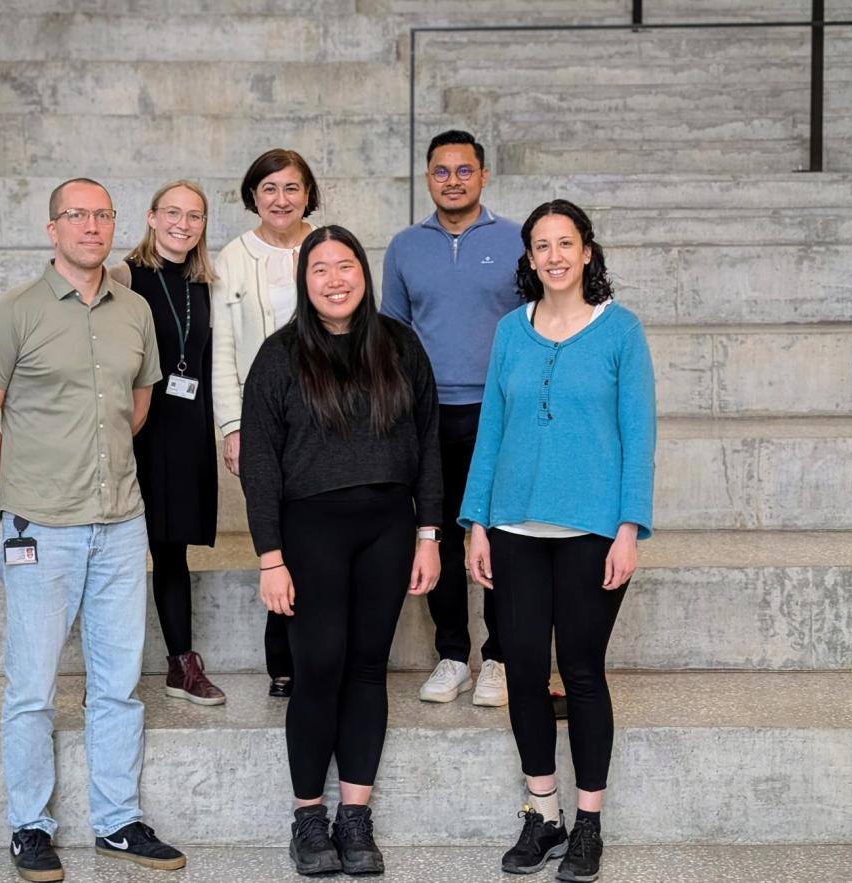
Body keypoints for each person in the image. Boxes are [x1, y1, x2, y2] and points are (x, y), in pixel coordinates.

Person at [0, 177, 187, 881]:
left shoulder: (136, 311)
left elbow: (136, 407)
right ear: (52, 228)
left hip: (120, 524)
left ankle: (118, 820)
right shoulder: (14, 314)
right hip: (41, 528)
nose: (91, 226)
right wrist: (29, 490)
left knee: (117, 684)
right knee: (31, 686)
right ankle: (30, 825)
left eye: (102, 215)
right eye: (76, 215)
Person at [459, 199, 656, 883]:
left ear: (588, 252)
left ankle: (588, 822)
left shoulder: (621, 331)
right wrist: (475, 521)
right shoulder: (512, 330)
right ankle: (542, 814)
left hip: (592, 531)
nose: (553, 255)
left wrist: (629, 528)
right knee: (520, 669)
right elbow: (490, 429)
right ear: (530, 257)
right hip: (512, 527)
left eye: (565, 242)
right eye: (540, 245)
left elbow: (640, 435)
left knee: (580, 669)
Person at [240, 226, 442, 877]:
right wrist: (270, 557)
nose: (334, 278)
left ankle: (355, 816)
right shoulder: (278, 355)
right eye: (320, 267)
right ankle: (308, 818)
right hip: (310, 532)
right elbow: (261, 467)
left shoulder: (400, 345)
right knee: (319, 666)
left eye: (345, 265)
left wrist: (429, 533)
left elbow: (430, 441)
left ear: (364, 271)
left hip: (388, 526)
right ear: (304, 279)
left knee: (366, 668)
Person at [381, 129, 523, 707]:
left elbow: (536, 322)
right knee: (435, 529)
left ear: (483, 176)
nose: (453, 181)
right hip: (429, 413)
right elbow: (391, 333)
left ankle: (500, 657)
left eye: (464, 171)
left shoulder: (516, 240)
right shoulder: (405, 247)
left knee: (502, 534)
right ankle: (452, 654)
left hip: (500, 412)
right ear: (428, 178)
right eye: (441, 171)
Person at [109, 180, 224, 706]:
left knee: (172, 550)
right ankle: (109, 668)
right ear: (152, 217)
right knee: (121, 552)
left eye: (194, 215)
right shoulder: (124, 276)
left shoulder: (203, 282)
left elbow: (202, 364)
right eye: (172, 213)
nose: (183, 223)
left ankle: (182, 663)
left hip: (185, 433)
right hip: (137, 431)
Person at [212, 147, 320, 698]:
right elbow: (224, 351)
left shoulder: (328, 248)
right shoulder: (233, 257)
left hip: (329, 419)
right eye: (269, 188)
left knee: (319, 535)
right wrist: (233, 427)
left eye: (291, 188)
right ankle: (283, 658)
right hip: (267, 417)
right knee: (278, 533)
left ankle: (324, 650)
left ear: (308, 194)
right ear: (253, 195)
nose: (281, 199)